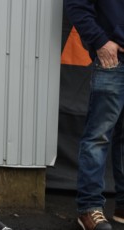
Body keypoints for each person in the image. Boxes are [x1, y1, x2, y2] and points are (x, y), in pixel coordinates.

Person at [65, 1, 124, 229]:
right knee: (97, 138)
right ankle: (89, 208)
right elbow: (76, 4)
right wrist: (100, 41)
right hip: (113, 59)